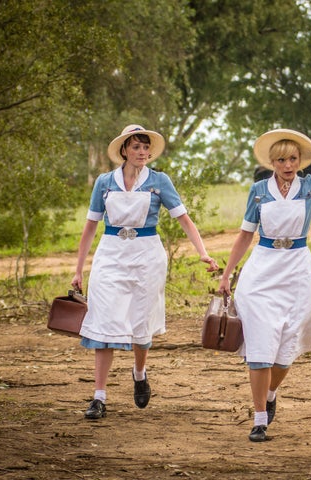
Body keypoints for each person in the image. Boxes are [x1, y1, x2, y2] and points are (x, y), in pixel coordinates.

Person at [218, 129, 311, 442]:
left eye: (293, 158)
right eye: (281, 159)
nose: (288, 164)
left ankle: (271, 393)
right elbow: (244, 235)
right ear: (272, 161)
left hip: (297, 270)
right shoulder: (258, 190)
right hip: (262, 270)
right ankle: (258, 420)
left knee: (287, 348)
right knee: (260, 345)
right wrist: (227, 274)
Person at [72, 124, 219, 420]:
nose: (142, 152)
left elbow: (184, 219)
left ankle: (139, 373)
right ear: (124, 150)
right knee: (104, 321)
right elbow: (90, 227)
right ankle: (99, 397)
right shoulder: (104, 182)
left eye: (146, 147)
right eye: (136, 147)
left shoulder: (159, 181)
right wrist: (78, 270)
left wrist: (202, 252)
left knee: (141, 322)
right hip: (111, 253)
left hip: (146, 255)